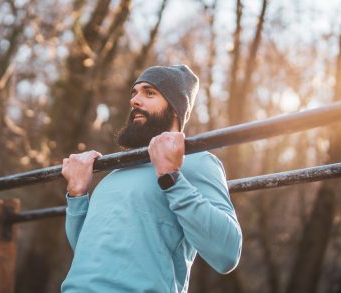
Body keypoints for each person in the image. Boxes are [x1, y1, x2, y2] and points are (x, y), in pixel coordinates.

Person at [60, 65, 242, 293]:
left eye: (149, 93)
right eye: (134, 93)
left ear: (175, 108)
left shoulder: (196, 161)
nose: (135, 100)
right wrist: (77, 195)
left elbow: (227, 253)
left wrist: (171, 177)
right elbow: (88, 254)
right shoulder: (114, 173)